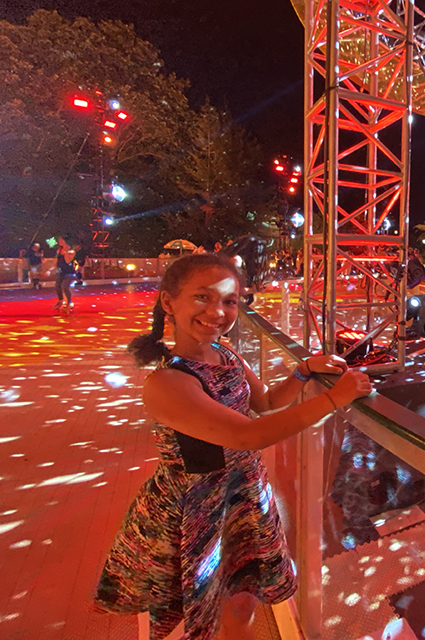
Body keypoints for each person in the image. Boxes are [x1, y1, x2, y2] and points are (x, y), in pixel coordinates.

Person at [93, 253, 371, 640]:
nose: (217, 312)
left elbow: (267, 404)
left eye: (229, 301)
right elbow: (247, 435)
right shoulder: (168, 383)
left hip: (242, 496)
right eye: (202, 298)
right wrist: (333, 399)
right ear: (168, 301)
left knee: (242, 600)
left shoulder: (226, 354)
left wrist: (302, 371)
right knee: (202, 607)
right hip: (198, 504)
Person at [54, 235, 77, 313]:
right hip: (61, 271)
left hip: (69, 272)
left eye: (61, 240)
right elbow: (56, 261)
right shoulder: (59, 250)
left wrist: (66, 252)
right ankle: (60, 300)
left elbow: (67, 261)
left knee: (65, 286)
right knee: (57, 286)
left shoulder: (71, 251)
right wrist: (50, 269)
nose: (59, 242)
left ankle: (69, 302)